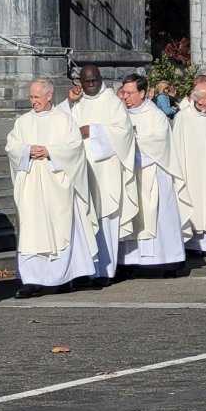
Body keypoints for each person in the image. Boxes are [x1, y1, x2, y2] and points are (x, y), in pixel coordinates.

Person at [7, 79, 97, 298]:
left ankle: (62, 277)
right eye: (31, 97)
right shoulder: (23, 122)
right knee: (31, 231)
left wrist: (50, 151)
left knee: (60, 230)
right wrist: (27, 150)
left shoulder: (64, 120)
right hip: (31, 187)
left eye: (37, 97)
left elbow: (75, 148)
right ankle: (31, 280)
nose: (33, 101)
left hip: (57, 185)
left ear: (49, 96)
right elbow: (12, 145)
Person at [65, 64, 139, 286]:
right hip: (81, 168)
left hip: (105, 170)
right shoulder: (78, 101)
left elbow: (124, 133)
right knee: (84, 218)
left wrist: (94, 131)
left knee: (105, 218)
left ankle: (105, 271)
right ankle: (85, 270)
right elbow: (59, 120)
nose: (90, 86)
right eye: (86, 82)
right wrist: (69, 102)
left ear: (99, 79)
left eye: (93, 81)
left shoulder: (113, 102)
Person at [118, 74, 189, 276]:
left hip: (155, 173)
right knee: (132, 213)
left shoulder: (155, 116)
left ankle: (170, 260)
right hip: (129, 173)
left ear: (142, 93)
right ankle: (127, 261)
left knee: (160, 217)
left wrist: (130, 142)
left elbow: (159, 144)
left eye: (130, 93)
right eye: (123, 92)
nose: (125, 97)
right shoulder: (120, 114)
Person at [172, 81, 206, 256]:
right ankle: (191, 244)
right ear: (199, 100)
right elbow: (177, 146)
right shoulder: (183, 117)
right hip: (190, 169)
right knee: (192, 201)